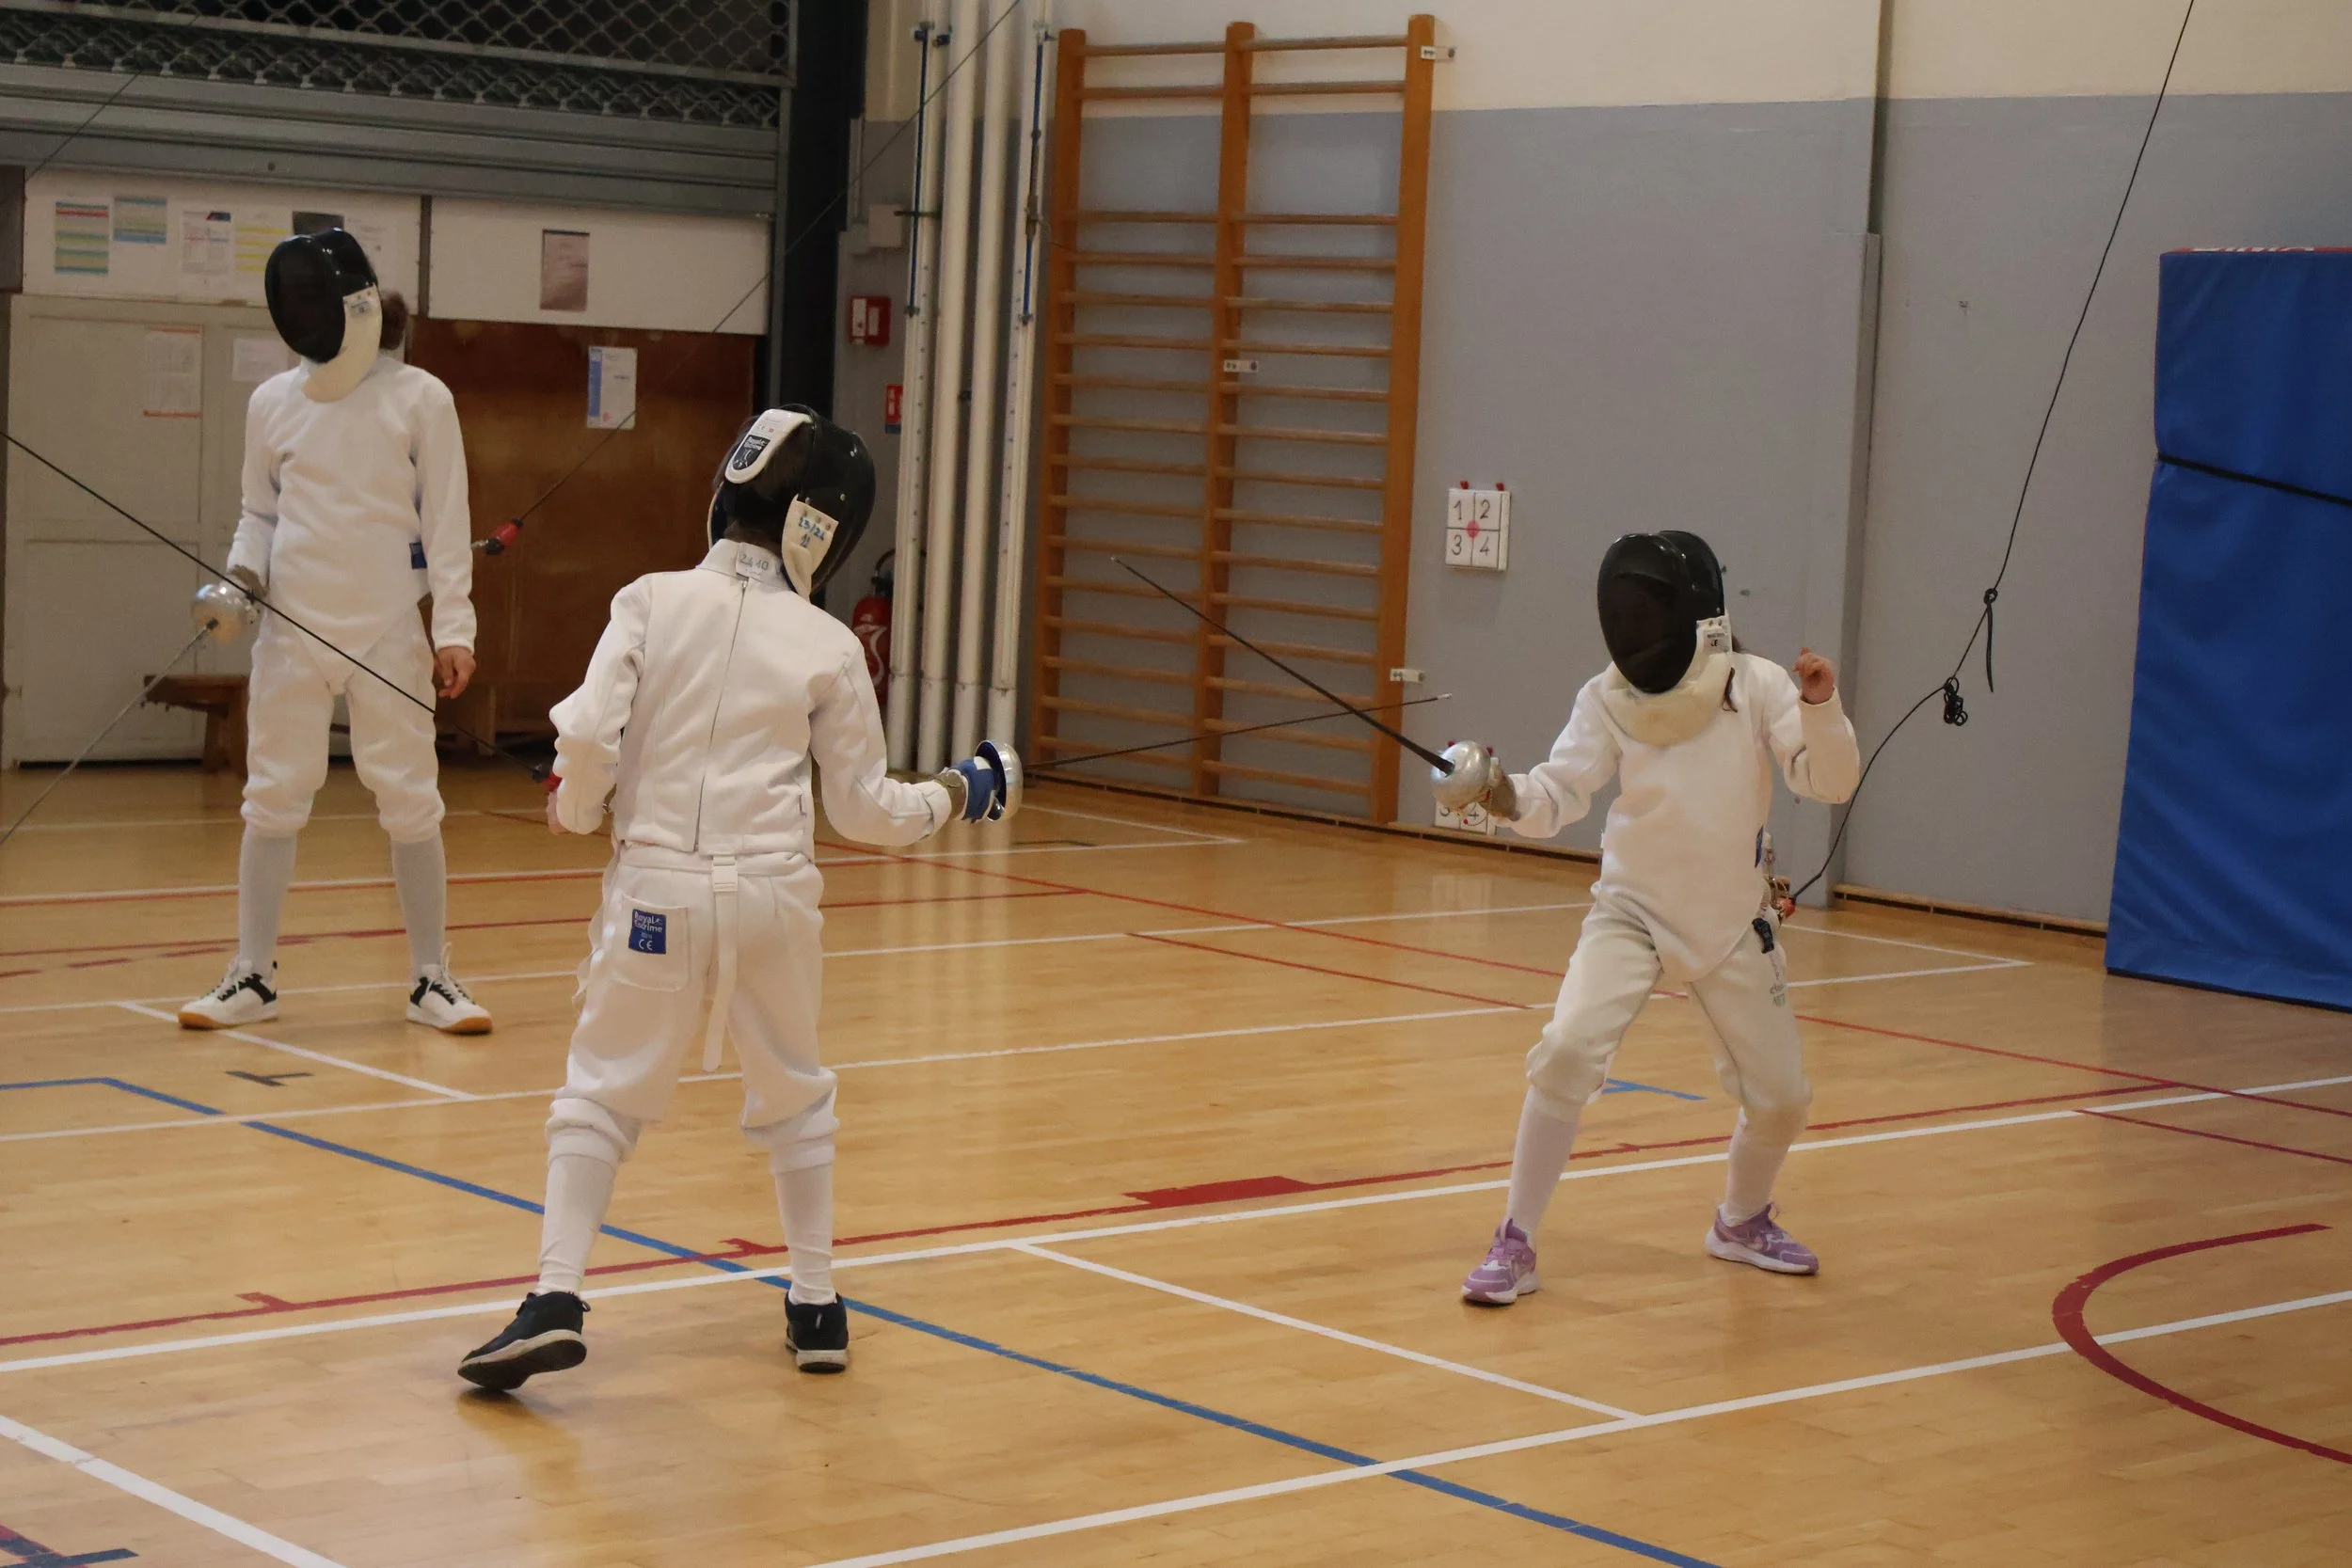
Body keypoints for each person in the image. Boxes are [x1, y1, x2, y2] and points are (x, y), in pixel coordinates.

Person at [457, 407, 1019, 1390]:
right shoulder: (828, 641)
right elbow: (863, 810)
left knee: (599, 1092)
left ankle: (554, 1294)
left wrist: (579, 806)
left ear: (730, 485)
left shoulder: (648, 599)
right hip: (772, 899)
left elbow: (588, 734)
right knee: (796, 1093)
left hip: (655, 894)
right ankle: (814, 1304)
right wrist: (957, 793)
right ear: (827, 531)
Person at [1433, 531, 1861, 1305]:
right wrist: (1500, 794)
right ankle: (1516, 1240)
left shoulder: (1759, 686)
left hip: (1731, 916)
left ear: (1696, 616)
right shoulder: (1607, 697)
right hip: (1630, 909)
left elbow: (1827, 782)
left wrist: (1822, 706)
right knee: (1566, 1049)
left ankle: (1740, 1220)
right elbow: (1559, 791)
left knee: (1783, 1097)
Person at [178, 228, 489, 1035]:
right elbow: (259, 512)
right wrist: (242, 579)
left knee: (410, 802)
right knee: (272, 799)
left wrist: (454, 627)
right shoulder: (273, 402)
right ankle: (252, 973)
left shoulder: (421, 398)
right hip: (290, 631)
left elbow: (447, 524)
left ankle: (431, 978)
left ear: (353, 307)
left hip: (387, 630)